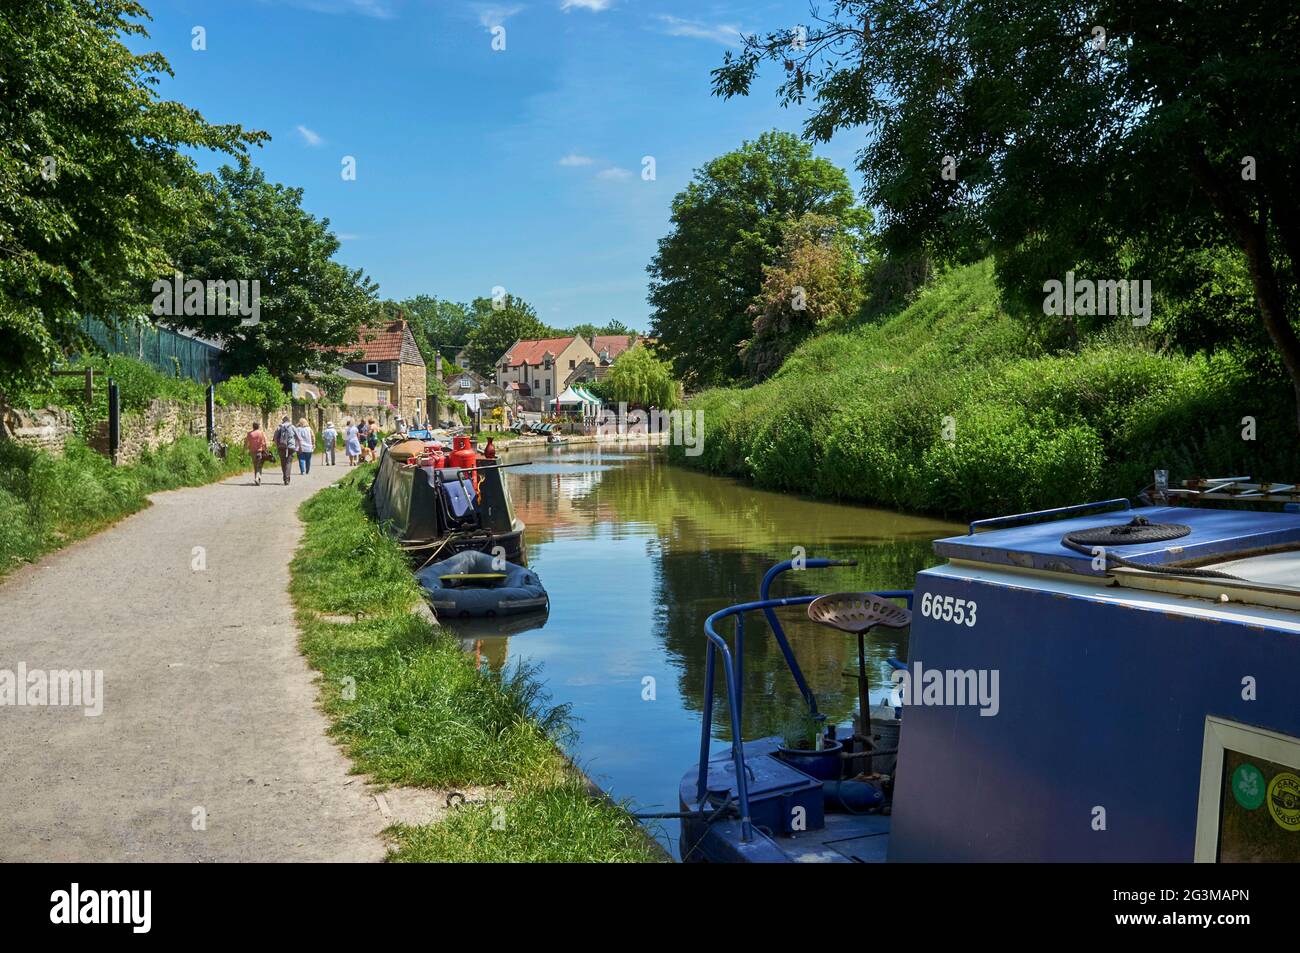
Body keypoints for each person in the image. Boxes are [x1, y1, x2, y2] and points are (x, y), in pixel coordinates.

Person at [272, 415, 298, 485]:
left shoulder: (279, 427)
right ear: (289, 420)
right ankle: (287, 478)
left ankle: (285, 477)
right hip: (291, 447)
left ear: (283, 421)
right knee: (288, 462)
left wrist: (277, 445)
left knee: (283, 462)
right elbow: (298, 437)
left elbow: (275, 438)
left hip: (281, 446)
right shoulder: (292, 427)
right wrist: (297, 446)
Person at [245, 421, 269, 486]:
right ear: (258, 426)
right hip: (259, 451)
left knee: (255, 466)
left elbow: (246, 443)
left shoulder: (249, 434)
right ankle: (258, 478)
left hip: (252, 452)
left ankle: (256, 477)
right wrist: (267, 450)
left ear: (253, 426)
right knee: (260, 466)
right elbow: (265, 443)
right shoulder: (261, 433)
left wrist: (244, 450)